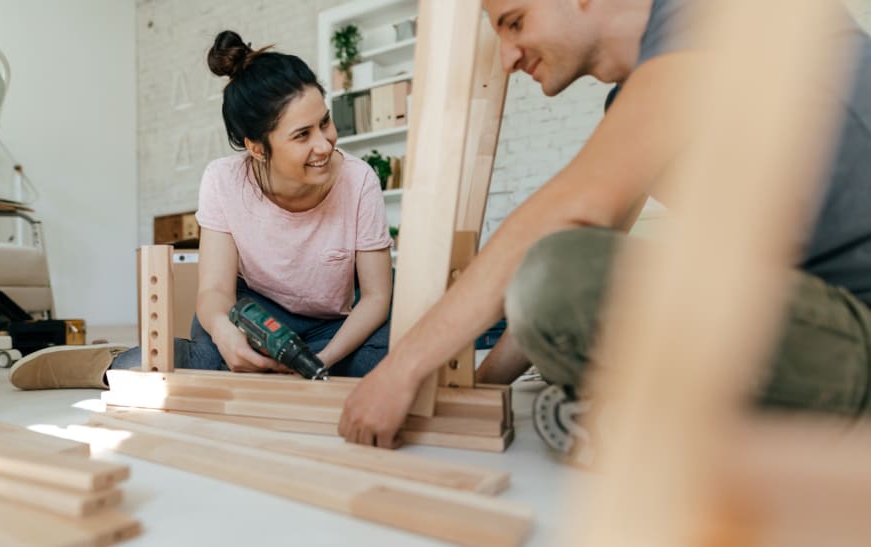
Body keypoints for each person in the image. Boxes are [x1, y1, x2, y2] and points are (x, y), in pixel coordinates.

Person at [337, 0, 871, 451]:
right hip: (814, 316)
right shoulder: (639, 97)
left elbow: (575, 215)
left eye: (515, 22)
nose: (507, 56)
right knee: (567, 278)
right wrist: (478, 397)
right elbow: (589, 243)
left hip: (857, 324)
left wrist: (399, 371)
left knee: (557, 271)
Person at [9, 31, 393, 390]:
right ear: (257, 148)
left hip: (332, 325)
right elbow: (214, 292)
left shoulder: (358, 181)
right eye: (301, 135)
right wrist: (227, 336)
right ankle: (112, 362)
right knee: (211, 356)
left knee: (391, 354)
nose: (325, 144)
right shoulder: (223, 181)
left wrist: (320, 362)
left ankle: (259, 371)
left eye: (323, 121)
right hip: (258, 315)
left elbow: (376, 297)